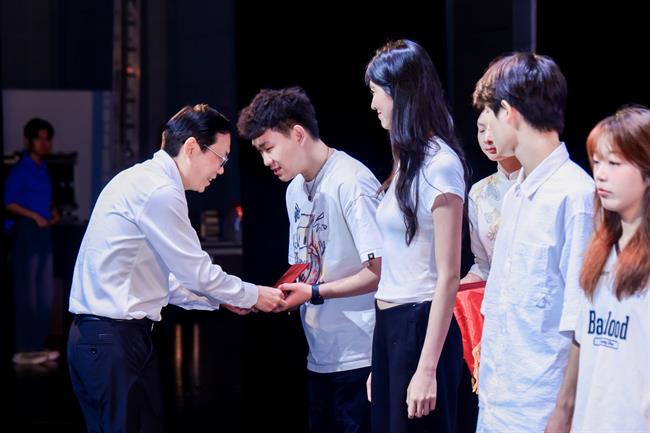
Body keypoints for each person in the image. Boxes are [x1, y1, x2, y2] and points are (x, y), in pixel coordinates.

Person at [67, 104, 286, 433]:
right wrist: (254, 295)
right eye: (221, 158)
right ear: (192, 148)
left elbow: (164, 281)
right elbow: (196, 272)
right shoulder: (160, 190)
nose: (221, 170)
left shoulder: (139, 179)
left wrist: (222, 299)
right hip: (113, 340)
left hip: (101, 340)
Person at [237, 86, 382, 433]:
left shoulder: (351, 181)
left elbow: (380, 271)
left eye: (268, 148)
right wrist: (268, 296)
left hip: (362, 355)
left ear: (298, 134)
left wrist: (315, 293)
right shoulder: (294, 191)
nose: (266, 161)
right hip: (320, 356)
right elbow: (304, 269)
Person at [472, 53, 595, 432]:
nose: (487, 131)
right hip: (496, 402)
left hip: (540, 410)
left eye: (489, 115)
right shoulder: (515, 195)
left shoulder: (575, 196)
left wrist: (564, 411)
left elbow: (583, 319)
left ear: (508, 113)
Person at [365, 39, 468, 433]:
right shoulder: (407, 161)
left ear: (400, 92)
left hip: (420, 326)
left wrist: (426, 369)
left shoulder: (440, 164)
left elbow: (449, 274)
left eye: (376, 92)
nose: (373, 104)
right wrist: (381, 361)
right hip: (391, 326)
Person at [546, 105, 650, 433]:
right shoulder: (600, 249)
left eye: (614, 163)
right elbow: (583, 336)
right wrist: (563, 409)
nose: (601, 174)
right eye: (596, 162)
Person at [5, 118, 61, 365]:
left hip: (43, 231)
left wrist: (52, 211)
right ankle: (23, 348)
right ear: (30, 140)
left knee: (44, 292)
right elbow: (8, 202)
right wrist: (34, 216)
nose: (44, 143)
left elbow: (45, 199)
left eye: (47, 139)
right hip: (28, 230)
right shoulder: (21, 169)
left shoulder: (43, 168)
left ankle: (38, 345)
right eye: (40, 139)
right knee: (27, 291)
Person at [461, 109, 521, 284]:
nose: (487, 138)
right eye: (481, 130)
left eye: (495, 129)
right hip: (497, 294)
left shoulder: (541, 185)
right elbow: (484, 266)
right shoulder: (479, 192)